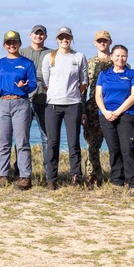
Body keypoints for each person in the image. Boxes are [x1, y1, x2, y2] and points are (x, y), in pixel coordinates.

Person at [0, 30, 37, 189]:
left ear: (20, 44)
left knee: (22, 142)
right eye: (8, 42)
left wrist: (25, 86)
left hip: (21, 103)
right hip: (2, 103)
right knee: (3, 142)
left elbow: (33, 84)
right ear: (4, 45)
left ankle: (25, 176)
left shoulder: (27, 63)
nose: (12, 45)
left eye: (15, 42)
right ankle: (3, 175)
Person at [41, 27, 88, 190]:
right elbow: (46, 82)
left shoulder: (79, 57)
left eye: (67, 37)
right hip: (53, 104)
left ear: (71, 38)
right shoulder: (49, 57)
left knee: (73, 142)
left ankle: (75, 176)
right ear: (57, 39)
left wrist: (72, 94)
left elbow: (84, 82)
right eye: (61, 37)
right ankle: (51, 178)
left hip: (73, 104)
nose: (64, 40)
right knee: (52, 143)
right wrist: (57, 93)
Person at [95, 44, 134, 196]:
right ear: (111, 57)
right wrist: (105, 111)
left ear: (127, 57)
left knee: (127, 149)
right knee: (114, 149)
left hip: (126, 115)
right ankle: (117, 181)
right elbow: (98, 95)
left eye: (123, 56)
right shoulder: (104, 75)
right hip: (106, 115)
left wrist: (117, 111)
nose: (120, 58)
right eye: (117, 55)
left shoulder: (133, 73)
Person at [84, 30, 113, 183]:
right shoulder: (89, 63)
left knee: (116, 144)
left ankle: (118, 175)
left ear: (110, 42)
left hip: (114, 108)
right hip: (93, 108)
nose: (103, 43)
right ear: (95, 43)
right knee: (92, 144)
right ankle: (92, 175)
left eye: (105, 41)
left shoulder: (119, 61)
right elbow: (83, 88)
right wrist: (82, 110)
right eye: (100, 41)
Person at [20, 25, 51, 148]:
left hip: (44, 100)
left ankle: (49, 167)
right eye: (36, 34)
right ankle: (20, 167)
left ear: (45, 37)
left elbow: (52, 75)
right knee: (22, 136)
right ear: (30, 35)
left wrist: (32, 76)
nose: (38, 36)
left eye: (41, 34)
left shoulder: (51, 53)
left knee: (47, 137)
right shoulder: (21, 52)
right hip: (24, 99)